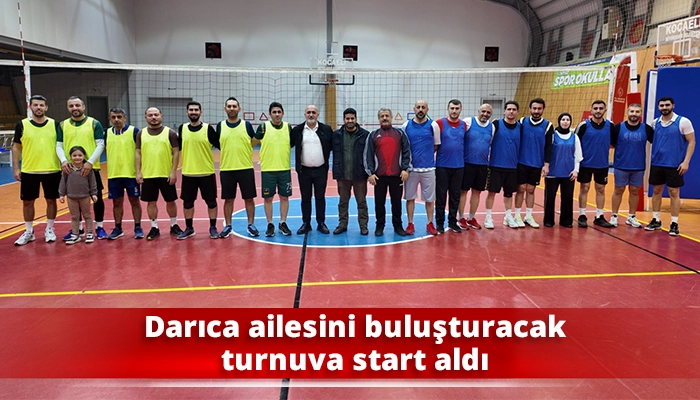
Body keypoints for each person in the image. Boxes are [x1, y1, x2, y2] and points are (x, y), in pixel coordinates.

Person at [12, 95, 62, 246]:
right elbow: (16, 147)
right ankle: (29, 231)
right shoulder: (22, 125)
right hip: (29, 170)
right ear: (30, 107)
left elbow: (61, 145)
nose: (38, 107)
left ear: (46, 107)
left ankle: (49, 229)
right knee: (27, 202)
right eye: (35, 105)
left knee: (51, 200)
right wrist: (16, 168)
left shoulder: (55, 124)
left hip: (52, 169)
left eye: (41, 105)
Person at [57, 96, 107, 240]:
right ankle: (78, 229)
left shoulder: (94, 123)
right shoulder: (63, 125)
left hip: (91, 168)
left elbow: (100, 144)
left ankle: (99, 227)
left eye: (77, 105)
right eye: (71, 106)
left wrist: (90, 162)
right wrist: (64, 161)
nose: (75, 108)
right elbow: (59, 145)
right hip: (71, 169)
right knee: (74, 198)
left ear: (83, 107)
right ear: (68, 108)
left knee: (97, 198)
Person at [645, 96, 696, 236]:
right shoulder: (655, 123)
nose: (664, 108)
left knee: (674, 192)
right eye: (661, 105)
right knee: (656, 191)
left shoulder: (683, 122)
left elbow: (692, 142)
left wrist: (686, 161)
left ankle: (674, 223)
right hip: (657, 163)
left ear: (673, 105)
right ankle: (656, 220)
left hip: (674, 164)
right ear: (658, 107)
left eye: (667, 105)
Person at [135, 107, 182, 240]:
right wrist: (138, 172)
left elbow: (176, 153)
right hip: (148, 174)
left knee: (170, 201)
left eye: (156, 114)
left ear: (161, 115)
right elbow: (138, 153)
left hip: (165, 174)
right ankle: (154, 227)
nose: (153, 117)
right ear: (145, 117)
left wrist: (173, 172)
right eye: (150, 115)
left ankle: (174, 225)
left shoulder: (170, 133)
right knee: (151, 202)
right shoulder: (141, 133)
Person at [364, 108, 412, 236]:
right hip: (379, 176)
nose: (384, 118)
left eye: (387, 116)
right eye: (382, 116)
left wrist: (405, 169)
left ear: (391, 117)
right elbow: (368, 155)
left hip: (397, 175)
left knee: (396, 203)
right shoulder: (373, 135)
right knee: (379, 203)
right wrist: (371, 173)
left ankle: (398, 226)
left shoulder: (400, 133)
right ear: (378, 119)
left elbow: (407, 151)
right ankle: (379, 226)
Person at [216, 97, 259, 238]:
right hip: (227, 169)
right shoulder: (220, 126)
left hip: (245, 168)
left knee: (249, 198)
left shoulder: (246, 125)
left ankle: (251, 225)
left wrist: (245, 149)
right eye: (229, 106)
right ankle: (228, 226)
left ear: (239, 109)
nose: (232, 108)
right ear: (225, 109)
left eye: (234, 106)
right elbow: (218, 144)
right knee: (228, 199)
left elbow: (254, 141)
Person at [177, 101, 219, 240]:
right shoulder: (182, 128)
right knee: (188, 203)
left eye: (196, 110)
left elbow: (221, 145)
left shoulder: (208, 129)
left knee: (211, 202)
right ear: (187, 112)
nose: (193, 112)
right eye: (191, 110)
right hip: (188, 173)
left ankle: (213, 227)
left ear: (201, 112)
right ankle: (189, 228)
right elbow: (177, 148)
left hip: (206, 172)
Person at [290, 105, 334, 235]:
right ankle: (306, 223)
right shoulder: (297, 130)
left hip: (321, 170)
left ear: (317, 114)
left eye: (313, 112)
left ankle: (321, 223)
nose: (311, 115)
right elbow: (289, 145)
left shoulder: (326, 129)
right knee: (305, 198)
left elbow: (332, 146)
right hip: (304, 171)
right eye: (308, 112)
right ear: (304, 114)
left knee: (320, 197)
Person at [252, 102, 293, 237]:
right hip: (268, 169)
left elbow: (292, 143)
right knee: (268, 198)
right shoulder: (263, 127)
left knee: (284, 197)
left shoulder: (287, 127)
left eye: (279, 112)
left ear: (283, 113)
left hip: (284, 168)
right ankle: (270, 224)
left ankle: (283, 223)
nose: (277, 114)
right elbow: (252, 143)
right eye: (274, 112)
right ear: (270, 114)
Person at [610, 104, 653, 228]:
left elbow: (656, 142)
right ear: (627, 112)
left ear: (641, 113)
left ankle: (631, 216)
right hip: (621, 165)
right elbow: (612, 143)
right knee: (618, 190)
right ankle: (614, 215)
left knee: (634, 191)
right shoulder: (618, 127)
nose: (634, 114)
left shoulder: (647, 129)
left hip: (638, 166)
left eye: (637, 112)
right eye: (632, 111)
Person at [401, 100, 440, 235]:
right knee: (410, 198)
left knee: (430, 199)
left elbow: (436, 145)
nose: (420, 109)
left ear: (427, 109)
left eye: (423, 107)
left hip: (428, 169)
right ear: (414, 109)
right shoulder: (406, 125)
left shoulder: (433, 125)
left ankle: (430, 223)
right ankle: (410, 223)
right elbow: (403, 146)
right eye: (418, 107)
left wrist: (425, 156)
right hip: (411, 169)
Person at [514, 98, 554, 228]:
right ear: (530, 109)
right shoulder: (522, 122)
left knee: (531, 190)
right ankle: (517, 215)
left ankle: (529, 216)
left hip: (536, 163)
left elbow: (549, 147)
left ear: (543, 109)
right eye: (534, 108)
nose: (536, 111)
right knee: (521, 189)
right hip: (521, 162)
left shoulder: (548, 125)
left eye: (539, 109)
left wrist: (546, 164)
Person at [105, 107, 144, 240]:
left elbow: (140, 152)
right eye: (113, 117)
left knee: (134, 201)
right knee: (116, 202)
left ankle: (138, 227)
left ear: (125, 118)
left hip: (131, 174)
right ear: (110, 119)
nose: (116, 120)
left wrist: (140, 171)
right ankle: (118, 228)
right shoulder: (107, 133)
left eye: (119, 117)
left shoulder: (134, 131)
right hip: (114, 174)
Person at [332, 108, 370, 235]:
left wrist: (369, 172)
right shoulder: (336, 135)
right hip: (342, 175)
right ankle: (342, 224)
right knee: (343, 202)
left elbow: (369, 154)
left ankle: (363, 226)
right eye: (347, 118)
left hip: (359, 175)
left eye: (352, 118)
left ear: (356, 119)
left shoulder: (365, 135)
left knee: (362, 202)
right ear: (343, 120)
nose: (350, 121)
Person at [483, 101, 521, 229]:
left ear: (517, 112)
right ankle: (488, 217)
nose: (511, 111)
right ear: (504, 111)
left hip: (512, 166)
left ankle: (508, 217)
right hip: (495, 165)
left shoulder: (520, 127)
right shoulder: (496, 124)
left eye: (514, 109)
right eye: (509, 109)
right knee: (492, 193)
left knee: (509, 194)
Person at [576, 100, 613, 228]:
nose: (598, 111)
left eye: (601, 108)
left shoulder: (610, 126)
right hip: (585, 164)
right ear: (591, 110)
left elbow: (616, 142)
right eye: (595, 108)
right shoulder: (583, 126)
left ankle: (599, 216)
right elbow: (575, 143)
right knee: (584, 188)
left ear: (605, 110)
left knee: (601, 189)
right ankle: (582, 215)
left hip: (602, 164)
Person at [458, 103, 494, 230]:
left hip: (482, 165)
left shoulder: (492, 127)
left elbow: (490, 144)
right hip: (467, 164)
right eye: (483, 111)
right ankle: (460, 218)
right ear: (478, 111)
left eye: (488, 112)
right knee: (463, 191)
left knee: (477, 192)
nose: (485, 114)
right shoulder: (468, 122)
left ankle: (471, 218)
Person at [543, 113, 582, 228]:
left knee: (567, 198)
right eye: (563, 119)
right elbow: (547, 151)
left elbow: (578, 155)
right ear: (559, 121)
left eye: (567, 120)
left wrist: (576, 170)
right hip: (553, 172)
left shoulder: (574, 137)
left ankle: (566, 220)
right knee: (550, 198)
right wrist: (545, 166)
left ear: (570, 122)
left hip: (568, 173)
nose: (565, 122)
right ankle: (548, 220)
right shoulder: (553, 135)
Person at [435, 99, 466, 233]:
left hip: (459, 166)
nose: (454, 111)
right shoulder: (439, 123)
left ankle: (452, 222)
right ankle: (439, 223)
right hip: (442, 165)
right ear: (448, 109)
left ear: (460, 110)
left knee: (455, 196)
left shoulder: (464, 125)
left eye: (457, 108)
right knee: (441, 196)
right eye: (452, 108)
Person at [59, 146, 98, 244]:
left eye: (80, 155)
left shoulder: (88, 169)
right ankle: (75, 234)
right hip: (71, 197)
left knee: (87, 215)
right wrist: (61, 194)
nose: (77, 157)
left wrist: (94, 193)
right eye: (74, 155)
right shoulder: (67, 169)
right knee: (74, 216)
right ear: (70, 157)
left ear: (84, 156)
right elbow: (63, 182)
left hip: (85, 196)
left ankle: (89, 233)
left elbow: (92, 182)